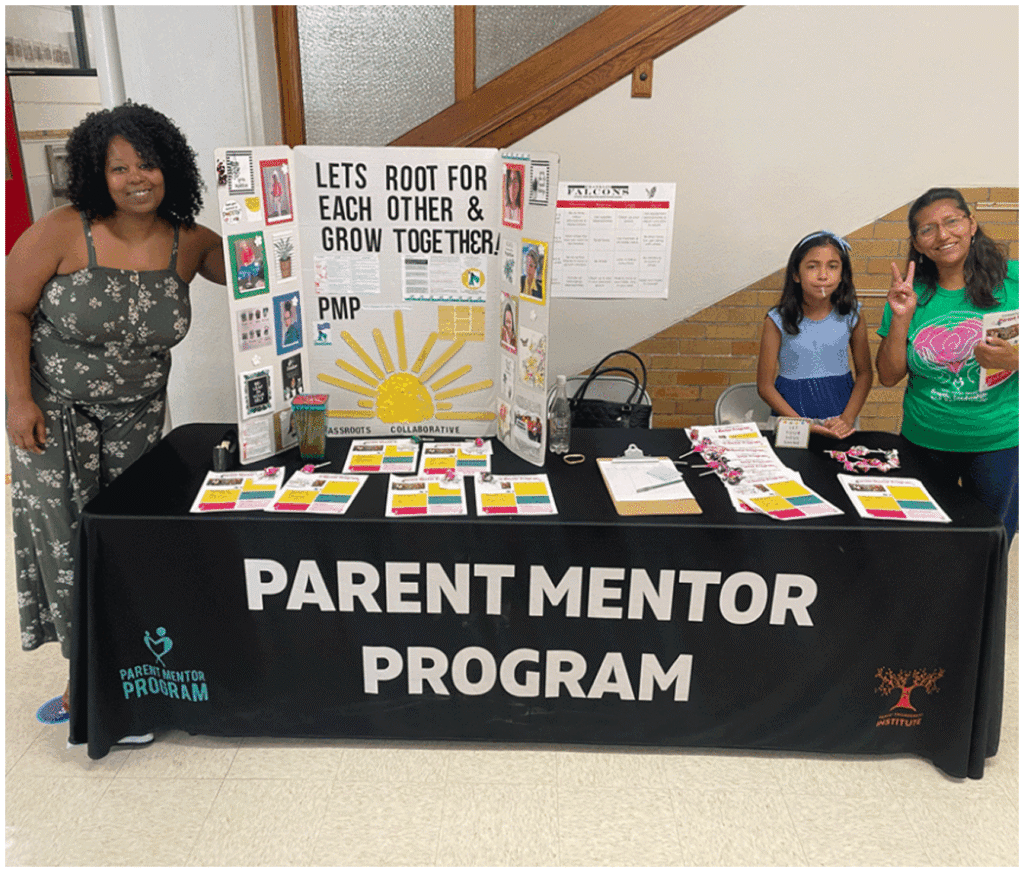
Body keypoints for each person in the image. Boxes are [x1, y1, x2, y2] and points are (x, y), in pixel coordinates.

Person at [5, 102, 226, 730]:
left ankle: (135, 662)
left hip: (138, 417)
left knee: (128, 538)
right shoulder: (59, 230)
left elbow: (256, 272)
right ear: (94, 174)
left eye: (148, 164)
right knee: (69, 541)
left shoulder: (189, 243)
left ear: (170, 169)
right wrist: (18, 401)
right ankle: (84, 677)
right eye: (118, 167)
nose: (136, 178)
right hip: (54, 415)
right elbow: (11, 311)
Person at [877, 187, 1018, 539]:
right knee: (922, 541)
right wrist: (901, 317)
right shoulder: (908, 293)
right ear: (918, 242)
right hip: (924, 441)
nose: (942, 235)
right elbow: (889, 375)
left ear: (971, 224)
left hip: (997, 443)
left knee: (989, 543)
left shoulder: (1014, 281)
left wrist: (1016, 358)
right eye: (928, 229)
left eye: (952, 221)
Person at [756, 230, 873, 438]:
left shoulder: (852, 315)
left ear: (842, 273)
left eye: (832, 266)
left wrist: (846, 420)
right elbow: (765, 386)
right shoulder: (776, 320)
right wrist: (803, 425)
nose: (823, 275)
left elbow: (865, 373)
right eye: (812, 266)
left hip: (840, 420)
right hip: (791, 421)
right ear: (796, 274)